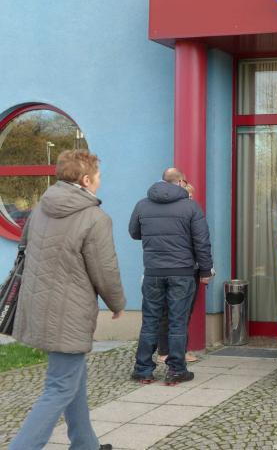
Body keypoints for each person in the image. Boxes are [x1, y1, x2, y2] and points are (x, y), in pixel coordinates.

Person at [10, 149, 125, 450]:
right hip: (69, 313)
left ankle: (85, 444)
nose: (100, 181)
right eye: (98, 176)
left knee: (73, 377)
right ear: (86, 179)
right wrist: (116, 303)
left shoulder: (40, 209)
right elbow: (105, 269)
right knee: (59, 387)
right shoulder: (95, 217)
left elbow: (24, 250)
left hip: (39, 306)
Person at [129, 168, 213, 385]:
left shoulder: (142, 205)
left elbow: (134, 233)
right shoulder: (191, 206)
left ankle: (143, 370)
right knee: (178, 321)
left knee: (150, 320)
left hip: (153, 271)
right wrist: (205, 270)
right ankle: (176, 370)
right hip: (182, 272)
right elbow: (202, 241)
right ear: (180, 182)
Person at [156, 182, 205, 364]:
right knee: (168, 312)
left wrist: (207, 268)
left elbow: (202, 243)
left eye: (191, 196)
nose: (190, 199)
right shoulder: (173, 217)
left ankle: (180, 350)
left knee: (184, 313)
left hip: (192, 269)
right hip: (176, 269)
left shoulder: (193, 214)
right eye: (187, 196)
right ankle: (164, 351)